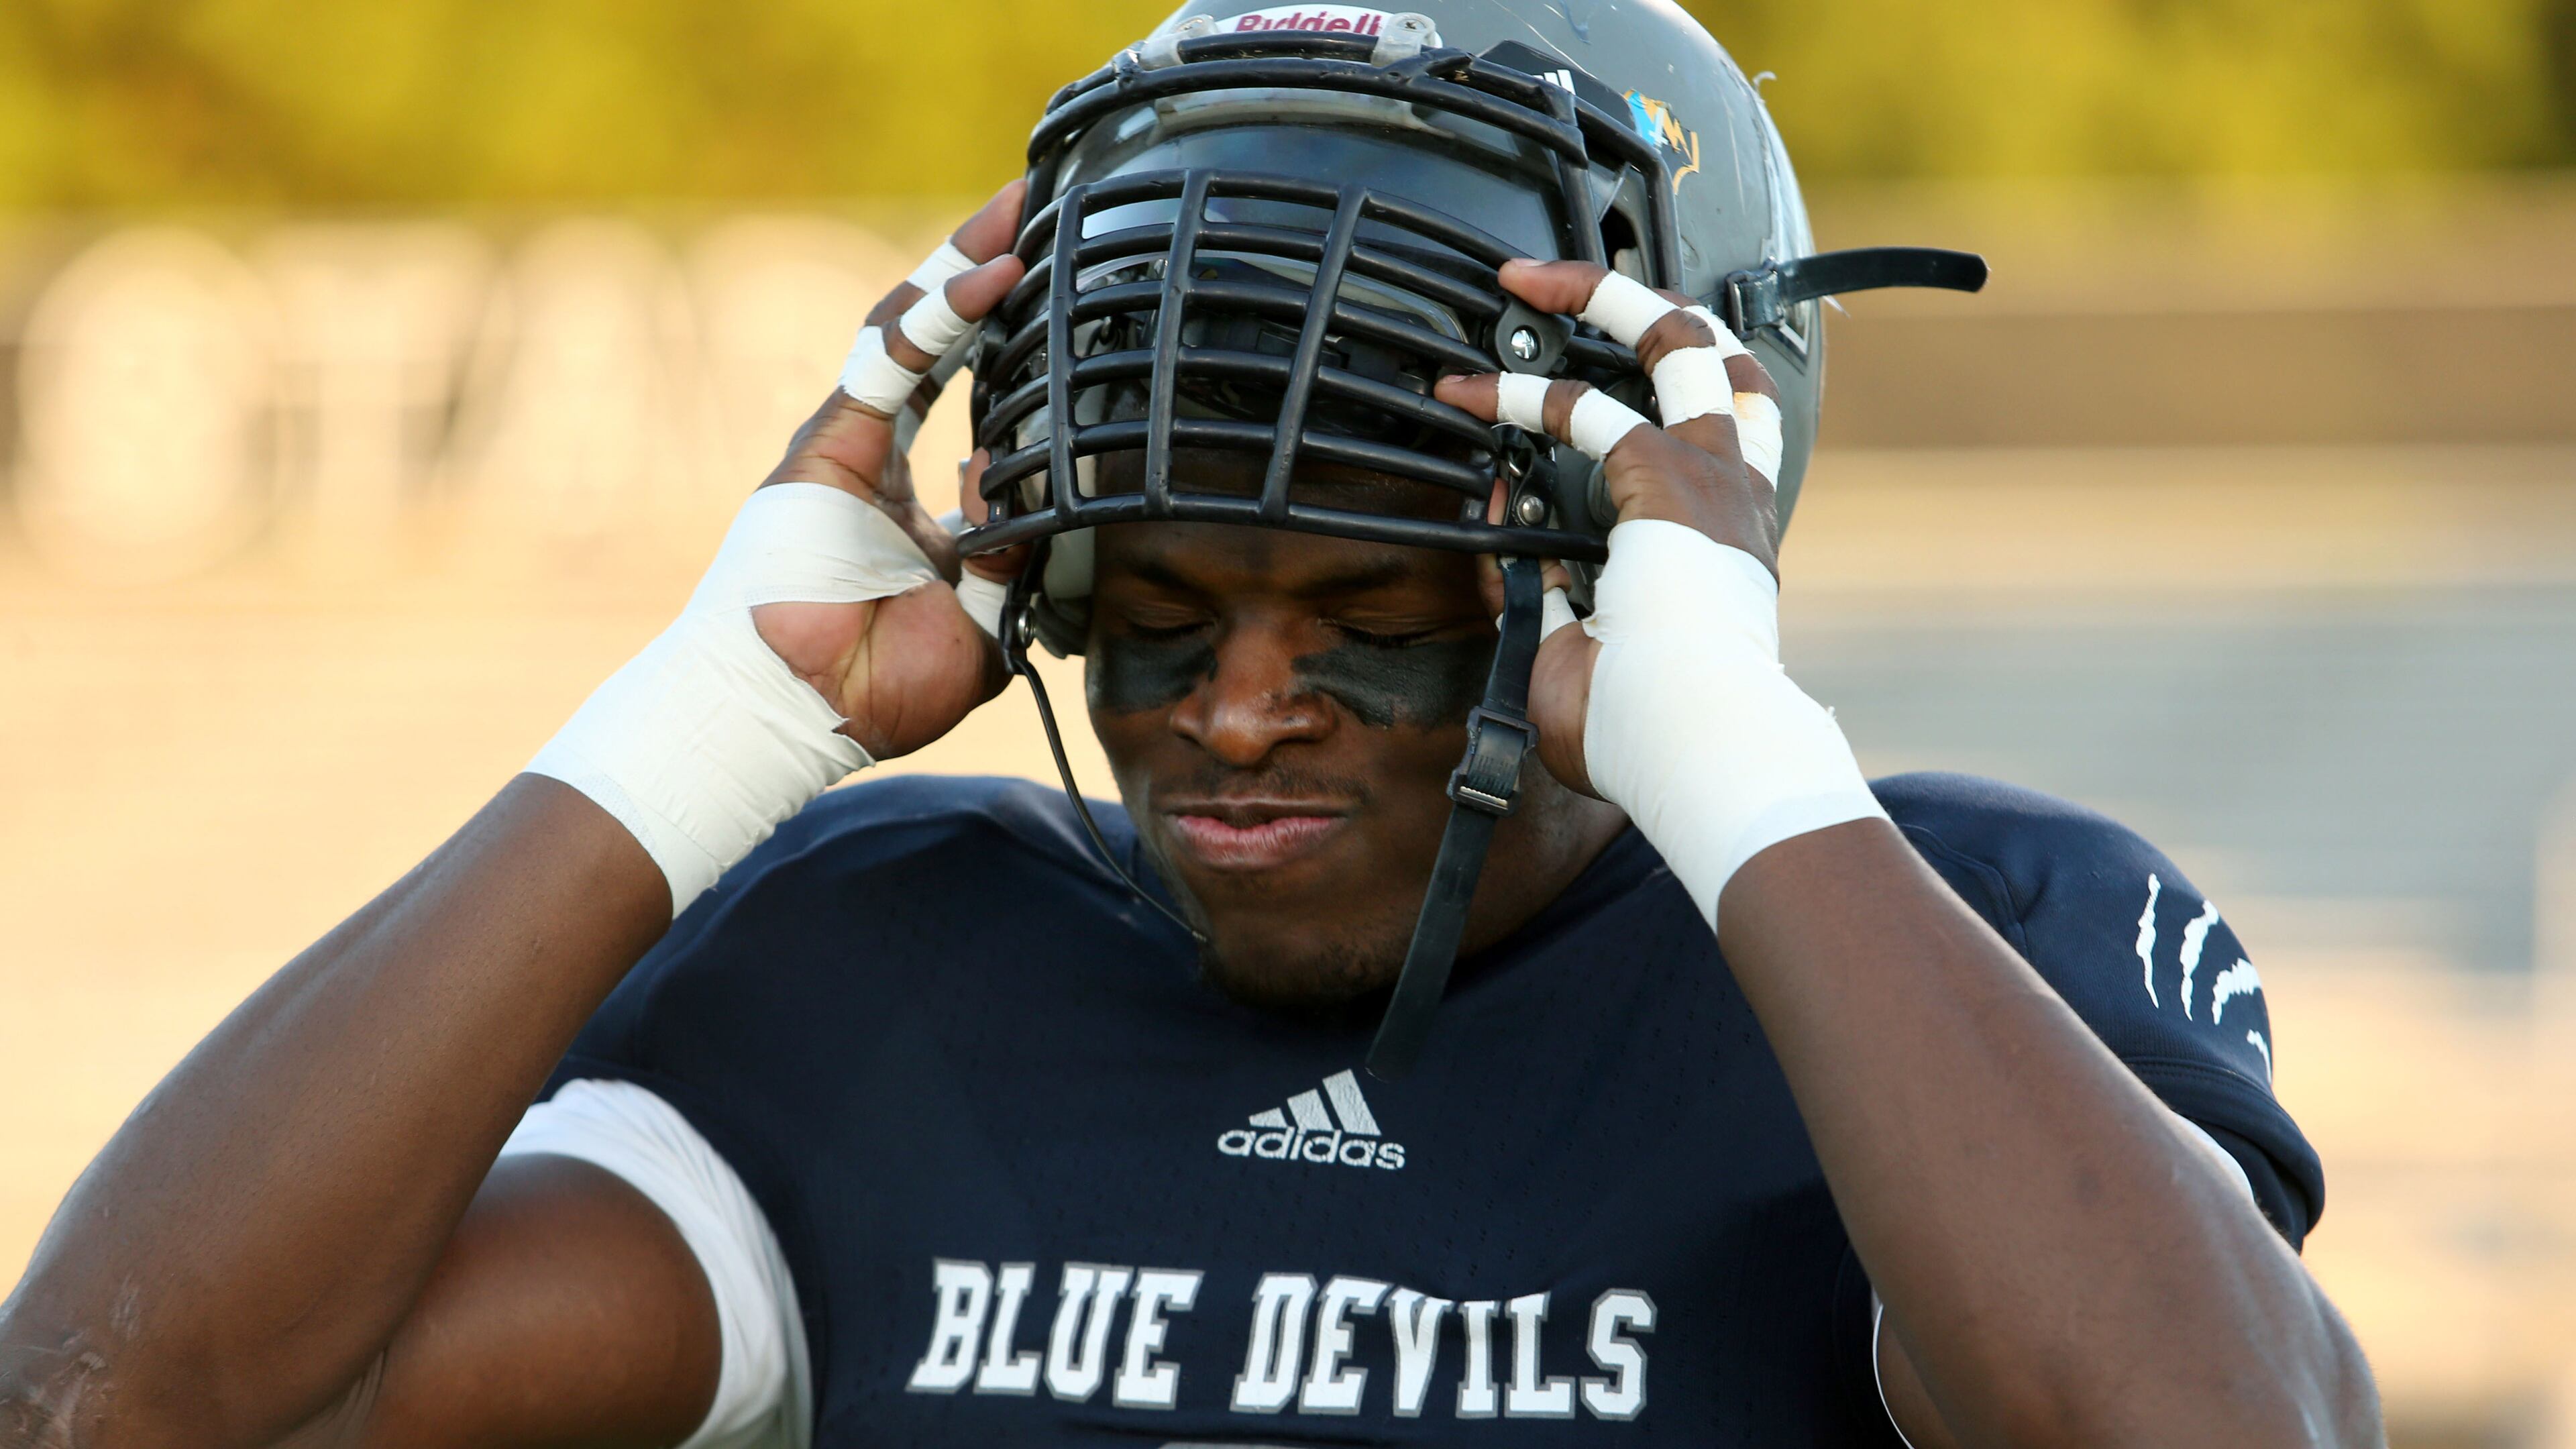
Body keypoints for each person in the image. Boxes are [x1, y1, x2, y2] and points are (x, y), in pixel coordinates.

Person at [0, 5, 2379, 1446]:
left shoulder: (1940, 950)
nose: (1236, 714)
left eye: (1363, 616)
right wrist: (689, 734)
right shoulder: (898, 976)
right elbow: (120, 1404)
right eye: (1148, 617)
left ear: (1624, 551)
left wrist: (1745, 771)